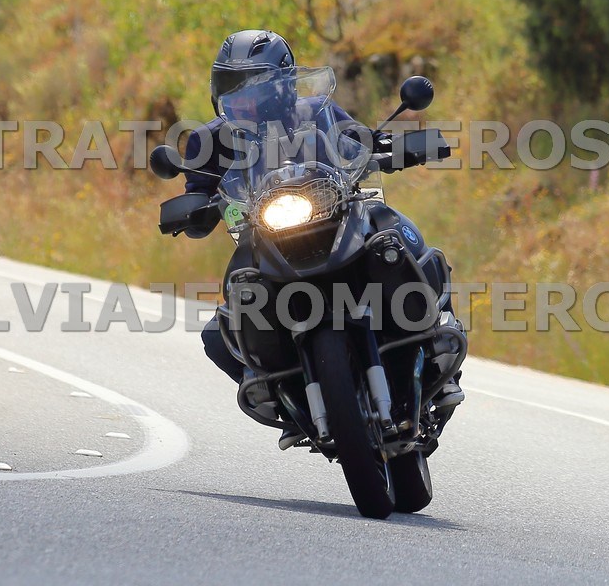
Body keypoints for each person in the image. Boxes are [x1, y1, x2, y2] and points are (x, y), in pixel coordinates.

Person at [184, 29, 462, 449]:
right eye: (232, 87)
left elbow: (359, 141)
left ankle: (437, 338)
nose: (243, 99)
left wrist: (390, 147)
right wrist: (192, 209)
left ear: (283, 84)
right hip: (266, 238)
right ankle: (281, 393)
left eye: (254, 87)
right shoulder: (208, 139)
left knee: (396, 235)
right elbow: (197, 194)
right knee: (219, 330)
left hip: (337, 218)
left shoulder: (317, 111)